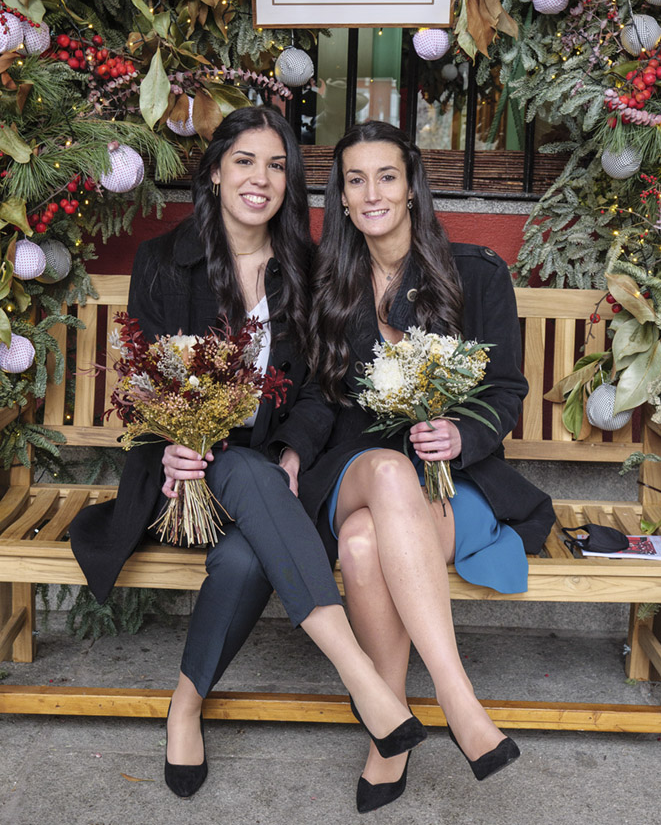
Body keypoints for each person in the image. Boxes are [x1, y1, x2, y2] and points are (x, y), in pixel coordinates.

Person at [70, 107, 426, 800]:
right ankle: (363, 681)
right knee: (232, 465)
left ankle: (184, 705)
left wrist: (295, 448)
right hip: (184, 485)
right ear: (213, 172)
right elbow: (146, 384)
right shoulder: (165, 263)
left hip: (275, 493)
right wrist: (170, 447)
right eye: (244, 161)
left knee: (244, 551)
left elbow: (327, 390)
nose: (260, 178)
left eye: (276, 164)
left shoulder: (309, 269)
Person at [301, 120, 555, 813]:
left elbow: (503, 390)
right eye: (355, 180)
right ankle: (456, 695)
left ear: (411, 187)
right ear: (343, 198)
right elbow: (317, 398)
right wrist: (294, 453)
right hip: (353, 472)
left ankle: (390, 731)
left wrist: (458, 434)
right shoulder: (327, 281)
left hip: (451, 482)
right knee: (383, 473)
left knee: (362, 545)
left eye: (386, 175)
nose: (372, 192)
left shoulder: (473, 273)